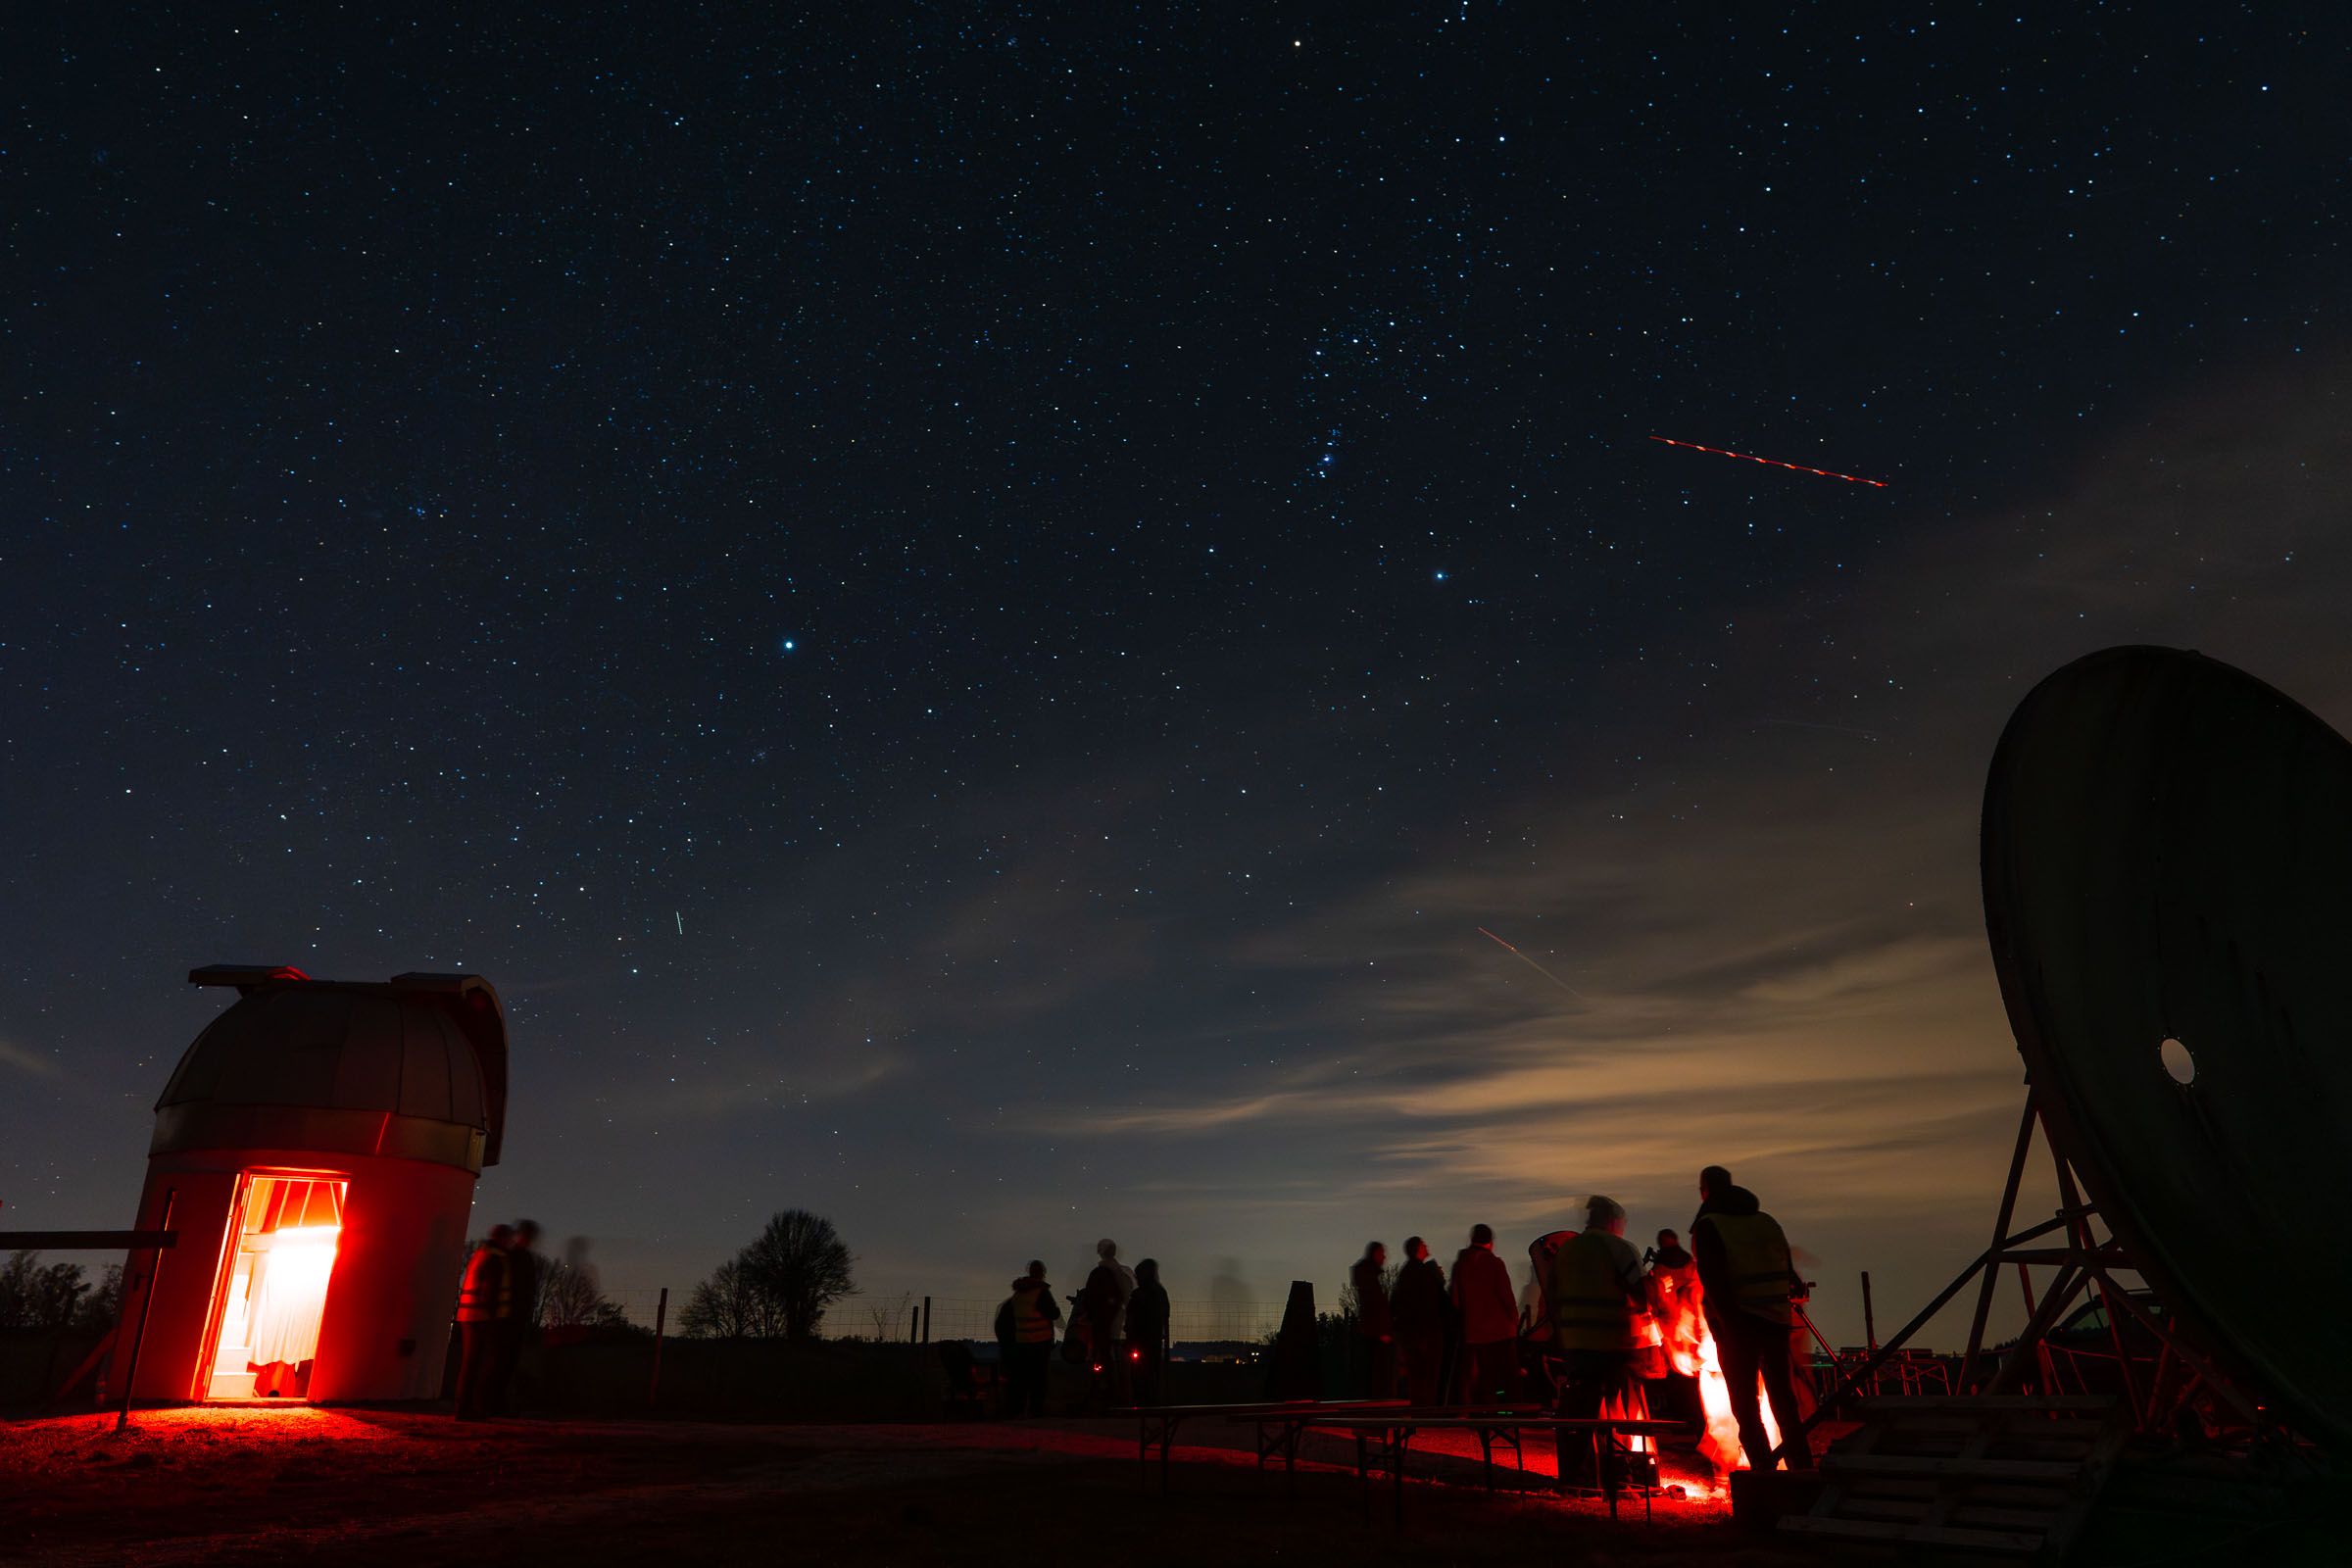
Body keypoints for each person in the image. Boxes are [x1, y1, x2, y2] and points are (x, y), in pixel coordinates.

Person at [1691, 1168, 1814, 1472]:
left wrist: (1726, 1324)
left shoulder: (1709, 1226)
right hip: (1775, 1321)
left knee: (1745, 1405)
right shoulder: (1767, 1221)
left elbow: (1713, 1281)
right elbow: (1791, 1277)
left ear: (1705, 1190)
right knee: (1784, 1402)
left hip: (1739, 1325)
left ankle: (1762, 1471)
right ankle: (1802, 1467)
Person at [1549, 1195, 1647, 1489]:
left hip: (1575, 1344)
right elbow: (1642, 1295)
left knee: (1578, 1413)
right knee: (1617, 1414)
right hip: (1612, 1343)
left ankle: (1577, 1478)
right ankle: (1617, 1478)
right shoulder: (1618, 1248)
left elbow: (1552, 1298)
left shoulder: (1566, 1251)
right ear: (1613, 1221)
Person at [1449, 1224, 1518, 1403]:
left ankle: (1471, 1409)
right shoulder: (1495, 1264)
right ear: (1490, 1242)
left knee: (1473, 1375)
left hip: (1472, 1330)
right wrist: (1514, 1319)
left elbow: (1455, 1300)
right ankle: (1500, 1409)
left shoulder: (1461, 1265)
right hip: (1498, 1332)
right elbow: (1506, 1296)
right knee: (1499, 1375)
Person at [454, 1224, 514, 1421]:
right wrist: (495, 1317)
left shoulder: (481, 1254)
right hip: (481, 1318)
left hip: (469, 1315)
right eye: (509, 1238)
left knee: (470, 1363)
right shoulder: (495, 1258)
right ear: (503, 1238)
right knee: (477, 1364)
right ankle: (469, 1409)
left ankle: (464, 1408)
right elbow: (490, 1291)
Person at [1389, 1237, 1448, 1405]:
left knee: (1416, 1376)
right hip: (1426, 1333)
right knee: (1428, 1375)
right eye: (1423, 1244)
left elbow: (1395, 1302)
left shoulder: (1405, 1273)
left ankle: (1418, 1407)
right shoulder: (1424, 1273)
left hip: (1412, 1333)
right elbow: (1434, 1302)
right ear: (1417, 1249)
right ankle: (1426, 1408)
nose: (1426, 1246)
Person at [998, 1260, 1061, 1418]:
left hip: (1021, 1342)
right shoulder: (1041, 1292)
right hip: (1040, 1342)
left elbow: (1007, 1318)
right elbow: (1053, 1313)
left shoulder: (1018, 1293)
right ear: (1042, 1273)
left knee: (1020, 1378)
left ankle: (1017, 1410)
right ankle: (1036, 1410)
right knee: (1038, 1379)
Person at [495, 1219, 542, 1415]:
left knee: (506, 1361)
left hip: (513, 1316)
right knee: (503, 1361)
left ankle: (498, 1403)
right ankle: (496, 1404)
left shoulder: (516, 1256)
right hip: (510, 1317)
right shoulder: (516, 1257)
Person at [1083, 1240, 1133, 1405]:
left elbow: (1090, 1299)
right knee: (1118, 1359)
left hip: (1102, 1324)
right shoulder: (1122, 1272)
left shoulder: (1100, 1273)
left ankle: (1105, 1394)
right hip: (1119, 1323)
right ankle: (1121, 1394)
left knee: (1102, 1358)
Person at [1349, 1241, 1394, 1398]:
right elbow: (1374, 1304)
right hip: (1376, 1332)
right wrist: (1382, 1329)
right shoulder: (1370, 1278)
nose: (1384, 1257)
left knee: (1372, 1372)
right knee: (1377, 1373)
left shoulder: (1367, 1276)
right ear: (1375, 1254)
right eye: (1382, 1253)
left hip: (1373, 1331)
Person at [1127, 1257, 1171, 1406]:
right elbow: (1165, 1314)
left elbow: (1132, 1317)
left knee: (1138, 1373)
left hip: (1138, 1340)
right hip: (1155, 1339)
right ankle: (1153, 1401)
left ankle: (1140, 1400)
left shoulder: (1138, 1294)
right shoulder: (1160, 1292)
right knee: (1153, 1373)